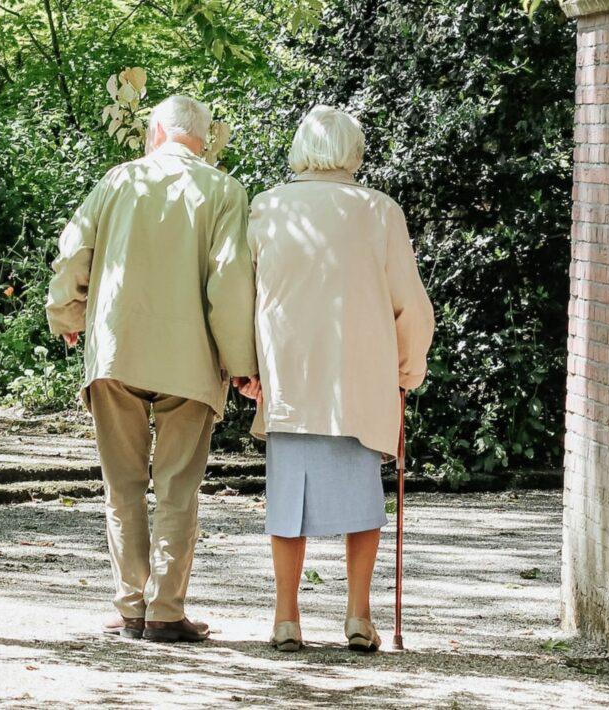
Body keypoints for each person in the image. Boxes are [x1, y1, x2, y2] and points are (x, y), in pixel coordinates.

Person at [46, 95, 259, 643]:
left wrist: (66, 313)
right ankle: (165, 611)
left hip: (118, 351)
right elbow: (230, 282)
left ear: (158, 130)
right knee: (177, 487)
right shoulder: (224, 191)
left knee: (122, 485)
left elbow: (74, 253)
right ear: (204, 139)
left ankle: (130, 607)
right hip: (190, 360)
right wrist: (241, 364)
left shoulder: (117, 181)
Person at [237, 105, 434, 653]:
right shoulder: (379, 211)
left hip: (291, 376)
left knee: (286, 503)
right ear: (354, 151)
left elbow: (242, 297)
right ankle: (357, 615)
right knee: (362, 501)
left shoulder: (267, 207)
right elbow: (410, 305)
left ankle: (285, 617)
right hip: (359, 377)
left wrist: (245, 367)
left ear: (302, 149)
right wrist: (406, 370)